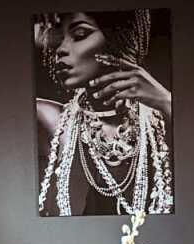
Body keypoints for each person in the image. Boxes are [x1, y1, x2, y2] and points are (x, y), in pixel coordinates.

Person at [35, 10, 173, 216]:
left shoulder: (163, 124)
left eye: (80, 35)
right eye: (58, 39)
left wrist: (166, 100)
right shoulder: (51, 121)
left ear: (120, 38)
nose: (61, 49)